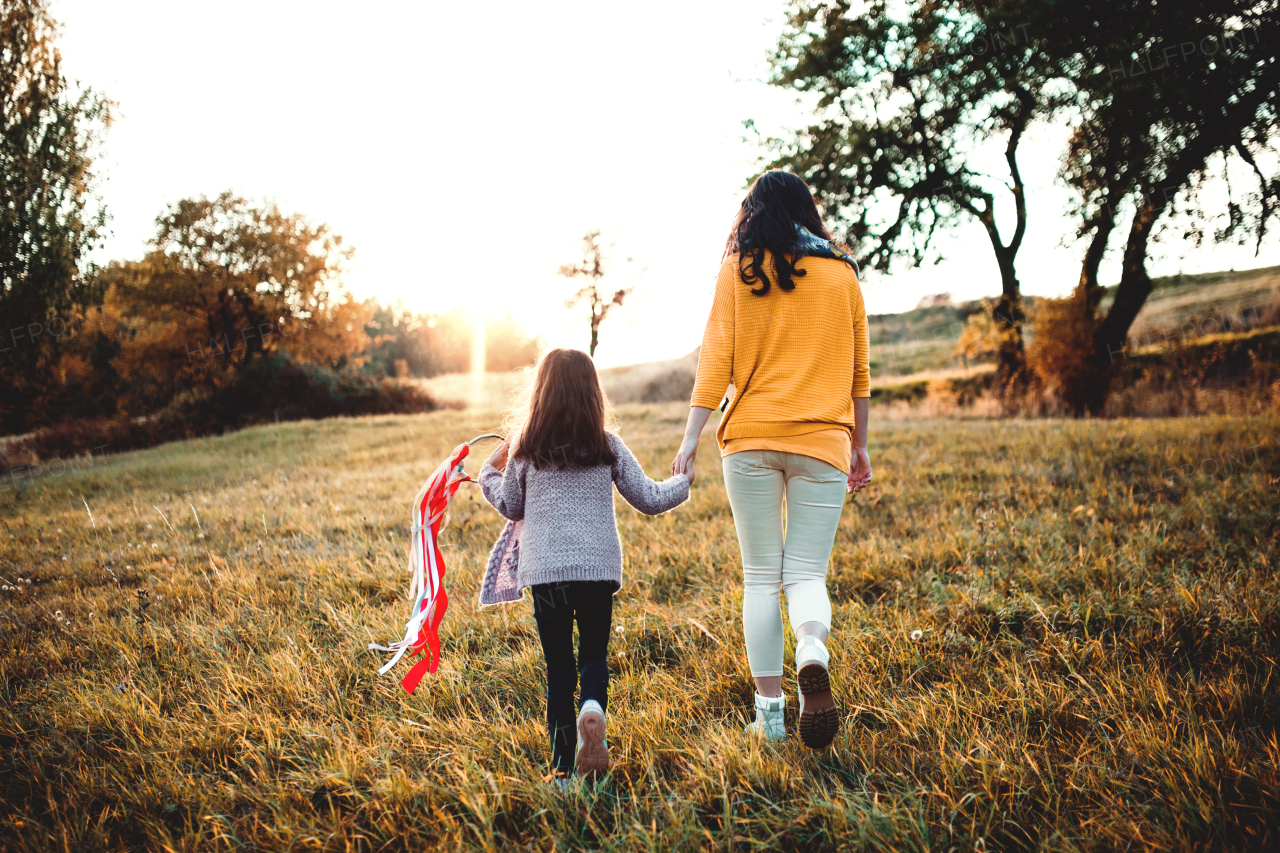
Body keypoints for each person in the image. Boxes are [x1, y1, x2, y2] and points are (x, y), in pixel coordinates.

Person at [671, 170, 873, 750]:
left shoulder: (740, 269)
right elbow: (860, 374)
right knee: (806, 573)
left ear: (753, 212)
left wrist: (691, 438)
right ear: (807, 209)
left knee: (761, 576)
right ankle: (812, 645)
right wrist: (859, 444)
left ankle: (771, 716)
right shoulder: (843, 274)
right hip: (823, 442)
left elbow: (715, 361)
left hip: (752, 442)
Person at [480, 348, 690, 783]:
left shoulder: (526, 449)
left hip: (546, 578)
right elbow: (649, 499)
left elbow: (510, 504)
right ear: (593, 393)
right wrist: (684, 481)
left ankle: (561, 773)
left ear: (541, 392)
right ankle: (592, 707)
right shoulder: (606, 444)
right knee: (593, 656)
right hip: (596, 573)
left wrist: (487, 471)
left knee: (558, 671)